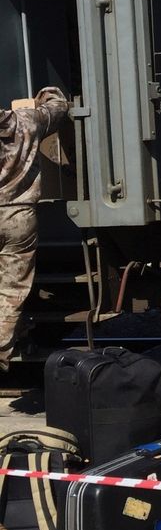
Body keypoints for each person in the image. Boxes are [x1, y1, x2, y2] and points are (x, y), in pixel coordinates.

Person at [0, 87, 69, 372]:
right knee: (11, 290)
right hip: (17, 214)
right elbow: (59, 106)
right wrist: (46, 94)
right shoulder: (26, 121)